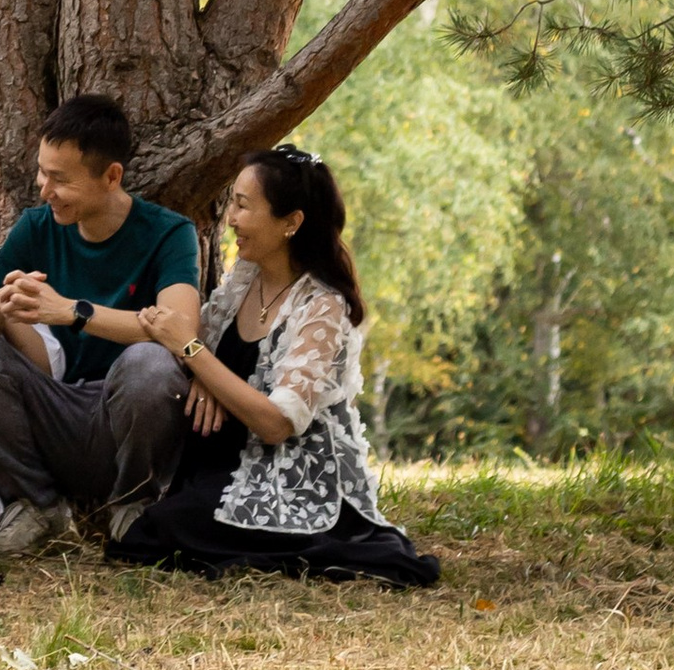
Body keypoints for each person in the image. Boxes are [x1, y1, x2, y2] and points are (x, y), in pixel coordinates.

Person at [106, 145, 439, 588]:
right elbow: (201, 353)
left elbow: (277, 423)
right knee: (154, 533)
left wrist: (194, 354)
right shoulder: (243, 282)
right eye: (233, 204)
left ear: (291, 223)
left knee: (161, 532)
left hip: (286, 472)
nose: (231, 219)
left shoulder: (321, 307)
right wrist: (202, 368)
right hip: (216, 465)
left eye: (244, 206)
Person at [0, 94, 198, 557]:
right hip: (52, 409)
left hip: (126, 416)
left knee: (150, 363)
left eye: (60, 179)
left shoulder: (169, 233)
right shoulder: (37, 228)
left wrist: (72, 311)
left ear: (111, 176)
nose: (44, 189)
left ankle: (132, 507)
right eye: (42, 172)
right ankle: (38, 509)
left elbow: (182, 330)